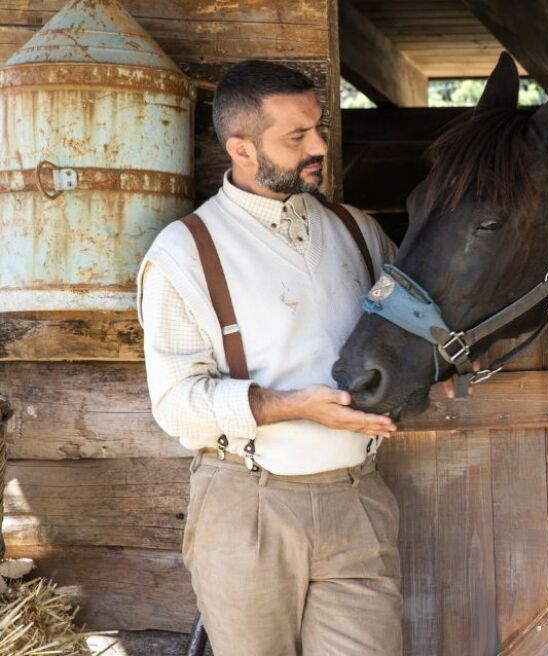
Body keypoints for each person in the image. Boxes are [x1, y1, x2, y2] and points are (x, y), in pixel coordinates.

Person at [137, 60, 402, 655]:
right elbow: (176, 405)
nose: (319, 147)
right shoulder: (184, 253)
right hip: (249, 505)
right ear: (242, 149)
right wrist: (296, 406)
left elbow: (419, 327)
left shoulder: (358, 231)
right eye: (296, 137)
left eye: (318, 129)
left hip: (359, 499)